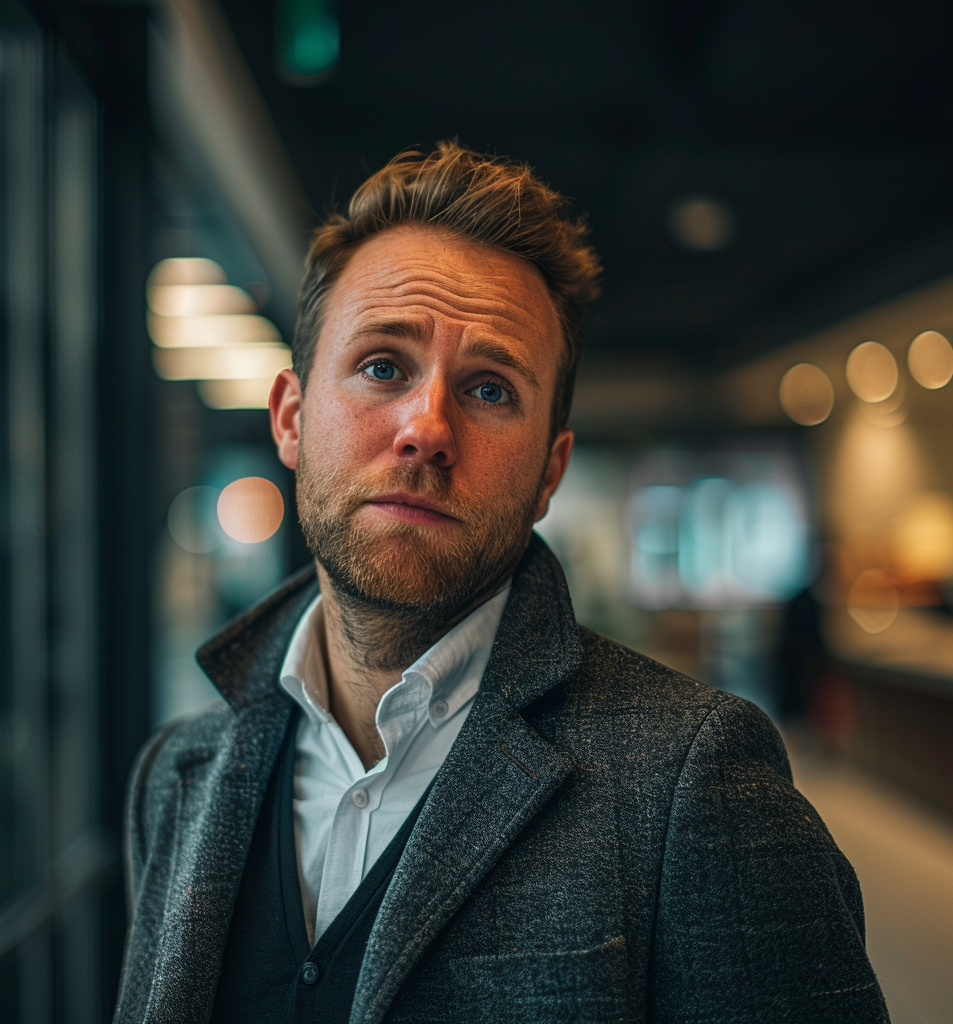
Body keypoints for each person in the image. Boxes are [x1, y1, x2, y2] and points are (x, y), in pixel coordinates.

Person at [114, 143, 889, 1024]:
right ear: (292, 418)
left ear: (550, 471)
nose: (427, 428)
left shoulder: (692, 783)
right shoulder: (178, 774)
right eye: (382, 367)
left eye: (488, 390)